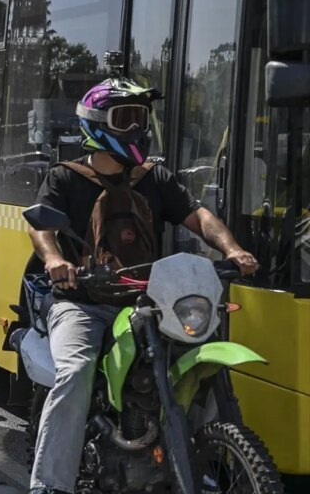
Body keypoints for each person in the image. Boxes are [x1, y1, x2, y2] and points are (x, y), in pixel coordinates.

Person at [28, 79, 258, 494]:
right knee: (76, 372)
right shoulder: (64, 177)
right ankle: (49, 485)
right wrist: (55, 260)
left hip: (151, 301)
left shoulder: (155, 177)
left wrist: (233, 249)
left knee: (199, 355)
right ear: (98, 125)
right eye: (126, 118)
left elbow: (198, 216)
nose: (137, 127)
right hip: (83, 302)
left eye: (140, 116)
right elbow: (41, 228)